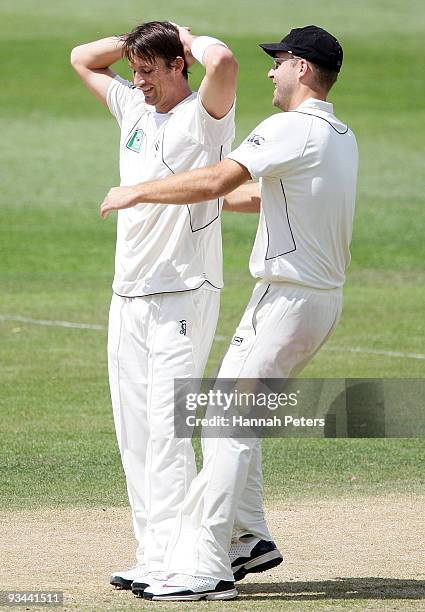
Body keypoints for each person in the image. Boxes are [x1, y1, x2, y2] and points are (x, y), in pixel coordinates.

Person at [100, 24, 359, 601]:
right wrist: (191, 198)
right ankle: (250, 537)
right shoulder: (340, 134)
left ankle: (203, 565)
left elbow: (219, 178)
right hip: (310, 298)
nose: (271, 71)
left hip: (290, 298)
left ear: (303, 69)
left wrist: (137, 192)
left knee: (223, 422)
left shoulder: (292, 128)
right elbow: (248, 196)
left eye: (280, 62)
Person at [70, 21, 238, 591]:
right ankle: (153, 552)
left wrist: (185, 37)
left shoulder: (206, 116)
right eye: (135, 71)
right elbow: (81, 58)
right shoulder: (134, 110)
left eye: (149, 70)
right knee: (134, 430)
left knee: (168, 430)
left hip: (184, 290)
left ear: (177, 66)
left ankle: (183, 558)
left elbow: (227, 65)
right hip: (128, 293)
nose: (137, 81)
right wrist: (140, 40)